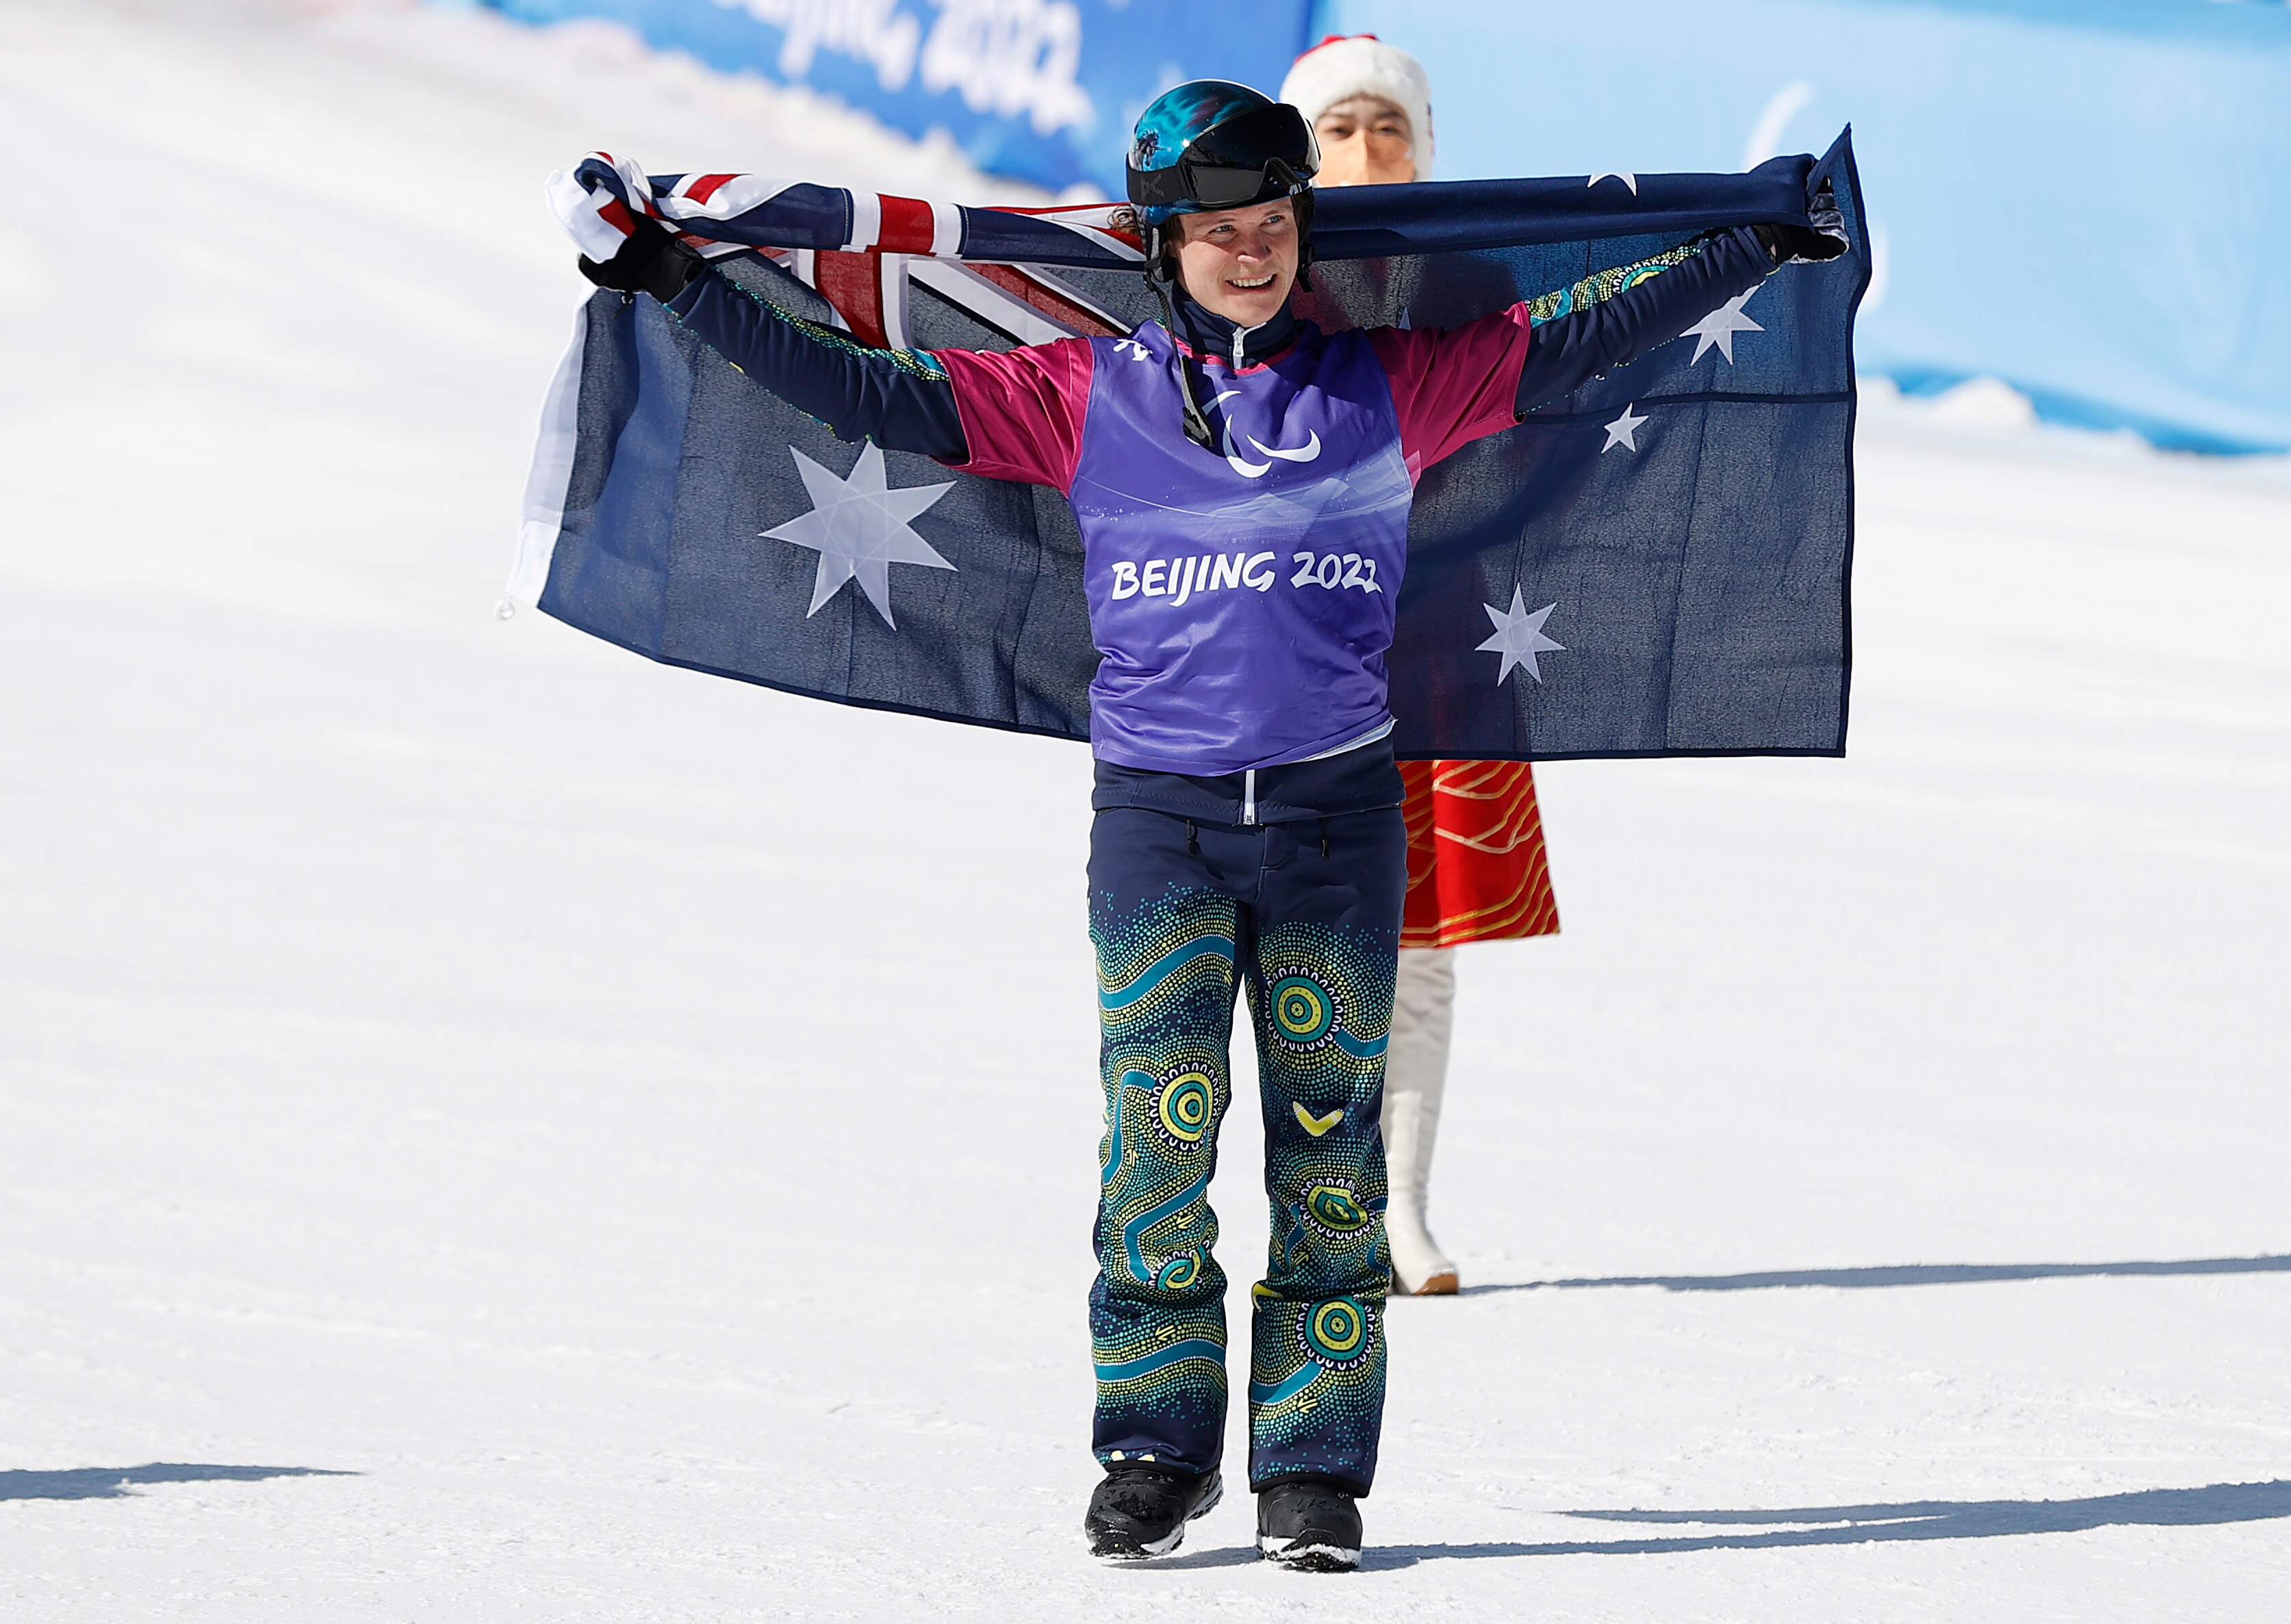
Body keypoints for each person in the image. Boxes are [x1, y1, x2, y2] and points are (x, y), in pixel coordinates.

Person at [574, 80, 1841, 1571]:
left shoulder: (1389, 385)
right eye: (1222, 229)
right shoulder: (1084, 391)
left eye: (1276, 221)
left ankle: (1311, 1469)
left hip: (1334, 825)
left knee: (1329, 1158)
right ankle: (1154, 1451)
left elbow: (1579, 335)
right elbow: (875, 394)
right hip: (1159, 828)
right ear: (1164, 244)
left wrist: (1754, 237)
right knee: (1156, 1147)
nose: (1255, 250)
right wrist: (669, 275)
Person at [1283, 34, 1561, 1297]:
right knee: (1286, 933)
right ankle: (1314, 1198)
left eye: (1387, 128)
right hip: (1286, 642)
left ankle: (1401, 1203)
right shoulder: (1254, 275)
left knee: (1420, 944)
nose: (1365, 150)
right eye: (1337, 130)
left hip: (1438, 640)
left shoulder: (1477, 279)